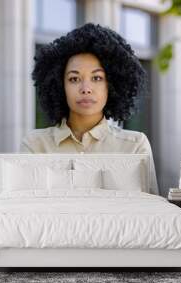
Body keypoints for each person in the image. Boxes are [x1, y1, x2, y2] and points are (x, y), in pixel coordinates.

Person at [20, 23, 159, 195]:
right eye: (74, 79)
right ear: (59, 85)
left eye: (97, 77)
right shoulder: (35, 146)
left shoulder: (135, 147)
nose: (86, 88)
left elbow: (150, 214)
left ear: (112, 84)